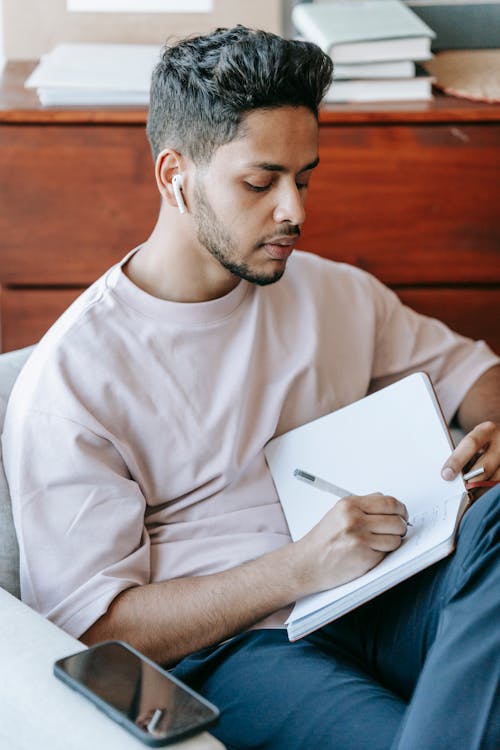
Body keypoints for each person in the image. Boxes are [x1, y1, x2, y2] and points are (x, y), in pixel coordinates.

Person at [3, 26, 500, 750]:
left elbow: (476, 375)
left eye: (305, 177)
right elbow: (91, 628)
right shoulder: (74, 380)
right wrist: (299, 567)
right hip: (238, 651)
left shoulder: (333, 293)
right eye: (260, 183)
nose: (294, 211)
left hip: (389, 587)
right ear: (175, 176)